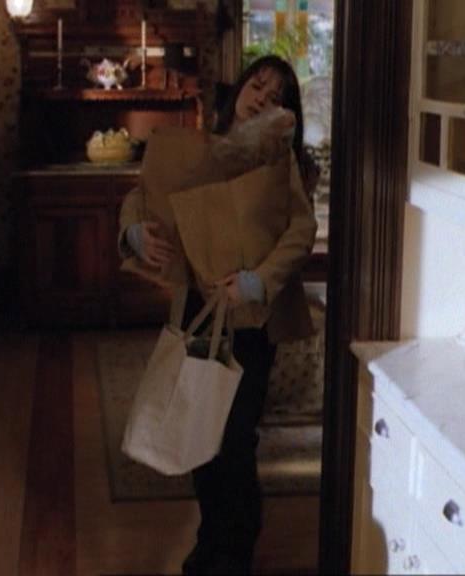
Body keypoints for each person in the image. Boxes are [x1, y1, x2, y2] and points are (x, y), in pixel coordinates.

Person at [118, 55, 318, 575]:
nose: (262, 99)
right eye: (257, 86)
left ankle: (235, 553)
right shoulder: (197, 148)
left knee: (234, 440)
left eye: (276, 98)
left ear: (286, 114)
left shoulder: (281, 161)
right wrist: (134, 232)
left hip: (250, 319)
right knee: (197, 430)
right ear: (240, 90)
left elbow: (301, 231)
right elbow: (143, 195)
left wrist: (259, 280)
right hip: (197, 310)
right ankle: (210, 543)